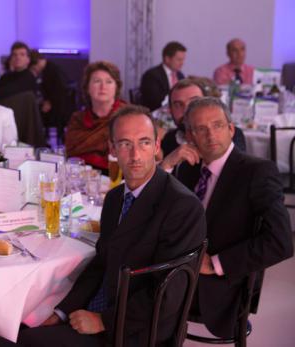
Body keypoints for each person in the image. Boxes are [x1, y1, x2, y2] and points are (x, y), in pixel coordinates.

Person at [18, 105, 207, 346]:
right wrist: (62, 312)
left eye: (144, 143)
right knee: (18, 326)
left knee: (26, 342)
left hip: (134, 330)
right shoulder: (116, 197)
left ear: (157, 147)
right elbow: (102, 264)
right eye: (126, 144)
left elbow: (168, 293)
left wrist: (104, 321)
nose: (136, 155)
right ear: (112, 149)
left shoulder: (182, 206)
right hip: (99, 307)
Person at [173, 97, 293, 338]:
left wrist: (216, 264)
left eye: (218, 125)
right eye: (201, 129)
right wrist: (167, 165)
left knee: (136, 296)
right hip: (180, 267)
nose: (211, 135)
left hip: (221, 281)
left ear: (231, 129)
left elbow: (281, 242)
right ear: (190, 136)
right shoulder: (187, 168)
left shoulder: (257, 172)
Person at [160, 78, 246, 159]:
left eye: (193, 102)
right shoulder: (169, 140)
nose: (186, 109)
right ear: (170, 110)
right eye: (178, 105)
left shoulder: (230, 134)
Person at [65, 61, 127, 171]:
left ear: (116, 87)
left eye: (109, 82)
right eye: (97, 81)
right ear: (87, 88)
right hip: (82, 176)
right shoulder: (77, 119)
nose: (103, 87)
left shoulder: (127, 117)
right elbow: (70, 153)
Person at [30, 50, 71, 144]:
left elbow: (59, 90)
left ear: (38, 61)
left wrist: (49, 102)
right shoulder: (51, 68)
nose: (36, 70)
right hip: (60, 104)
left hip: (60, 106)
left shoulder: (51, 71)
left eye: (34, 67)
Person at [140, 41, 187, 111]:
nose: (182, 63)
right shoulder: (151, 76)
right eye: (179, 60)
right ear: (167, 59)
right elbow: (155, 102)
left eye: (183, 60)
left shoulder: (180, 75)